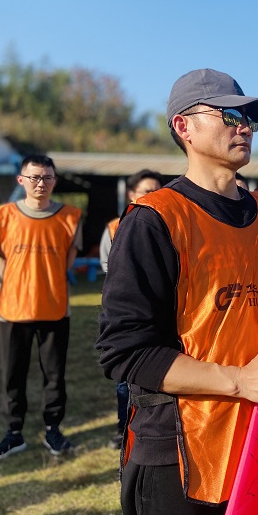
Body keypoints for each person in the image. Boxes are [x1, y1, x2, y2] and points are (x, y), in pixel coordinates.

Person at [96, 68, 258, 515]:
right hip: (181, 451)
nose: (242, 126)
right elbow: (125, 351)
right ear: (183, 127)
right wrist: (240, 380)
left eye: (248, 118)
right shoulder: (153, 219)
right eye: (228, 114)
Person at [0, 154, 82, 461]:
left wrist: (46, 281)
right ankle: (14, 434)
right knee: (13, 374)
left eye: (48, 177)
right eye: (35, 177)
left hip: (53, 307)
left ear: (55, 180)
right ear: (21, 180)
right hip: (12, 308)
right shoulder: (5, 214)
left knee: (54, 374)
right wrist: (16, 281)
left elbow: (69, 258)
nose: (41, 183)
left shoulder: (70, 216)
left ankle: (53, 429)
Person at [98, 169, 164, 449]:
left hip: (161, 311)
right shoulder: (116, 226)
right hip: (130, 310)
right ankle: (123, 428)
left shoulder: (169, 222)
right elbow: (108, 268)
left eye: (157, 191)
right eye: (147, 191)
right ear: (131, 194)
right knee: (126, 378)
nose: (153, 196)